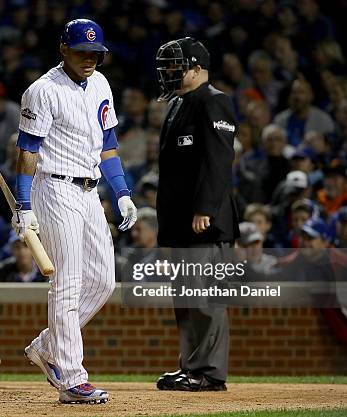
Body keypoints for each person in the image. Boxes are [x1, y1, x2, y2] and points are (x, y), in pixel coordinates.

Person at [14, 19, 137, 404]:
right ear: (64, 49)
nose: (90, 58)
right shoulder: (42, 91)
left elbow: (109, 145)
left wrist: (122, 193)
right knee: (66, 283)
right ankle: (70, 377)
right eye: (83, 51)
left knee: (102, 281)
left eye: (95, 52)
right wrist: (24, 204)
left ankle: (48, 346)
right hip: (54, 188)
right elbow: (26, 152)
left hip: (89, 190)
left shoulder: (100, 83)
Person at [154, 37, 238, 392]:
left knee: (205, 299)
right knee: (186, 299)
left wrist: (205, 207)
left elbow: (218, 160)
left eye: (176, 65)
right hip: (181, 222)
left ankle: (209, 372)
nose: (170, 72)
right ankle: (191, 367)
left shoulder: (213, 101)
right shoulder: (179, 104)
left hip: (206, 222)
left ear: (196, 68)